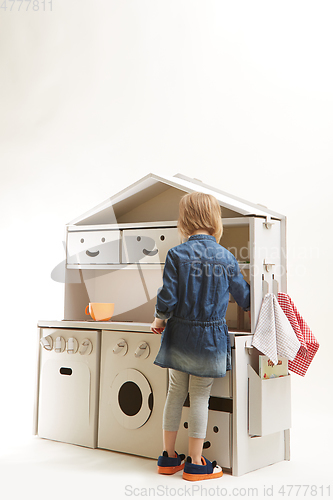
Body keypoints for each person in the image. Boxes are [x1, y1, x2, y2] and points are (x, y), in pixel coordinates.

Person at [150, 191, 250, 481]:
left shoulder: (176, 254)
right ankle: (196, 461)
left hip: (179, 333)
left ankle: (168, 458)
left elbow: (166, 298)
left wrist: (159, 320)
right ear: (214, 219)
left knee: (175, 393)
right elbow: (244, 298)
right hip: (209, 339)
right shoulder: (227, 257)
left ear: (185, 219)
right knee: (200, 397)